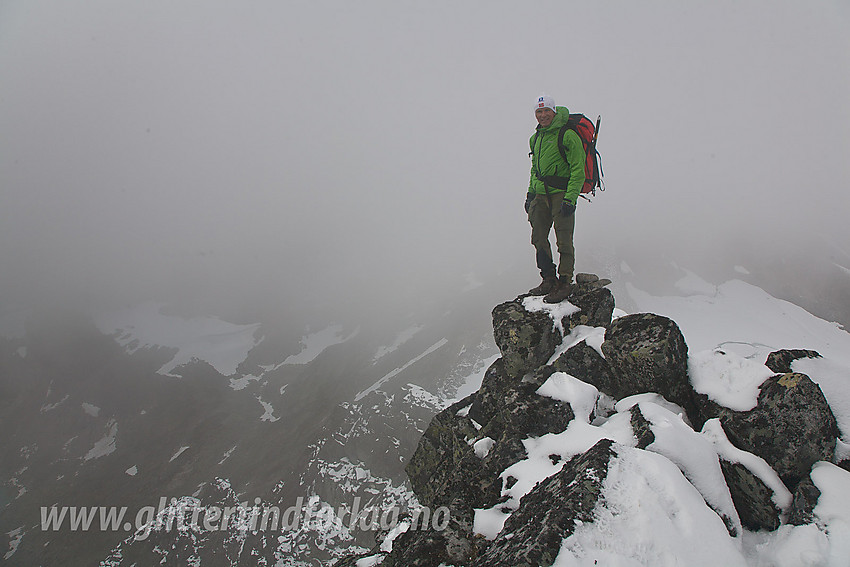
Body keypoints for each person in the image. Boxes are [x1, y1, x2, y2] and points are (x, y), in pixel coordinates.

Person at [525, 94, 586, 303]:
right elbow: (535, 169)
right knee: (539, 238)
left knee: (564, 240)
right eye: (539, 112)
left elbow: (579, 169)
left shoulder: (567, 135)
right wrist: (530, 194)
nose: (543, 115)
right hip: (540, 196)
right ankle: (548, 279)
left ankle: (565, 281)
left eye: (546, 111)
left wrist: (570, 199)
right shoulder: (536, 138)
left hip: (561, 194)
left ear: (554, 111)